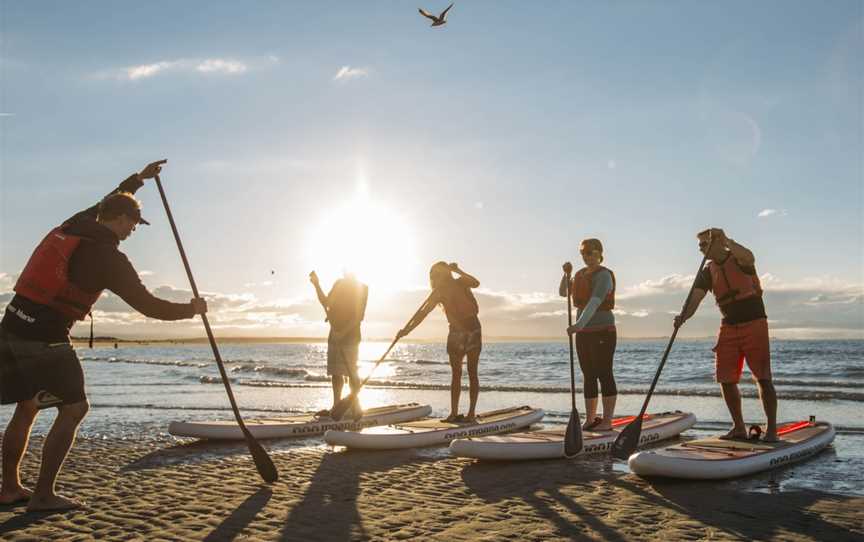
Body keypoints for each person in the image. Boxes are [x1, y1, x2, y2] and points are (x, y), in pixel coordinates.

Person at [0, 160, 207, 511]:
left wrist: (139, 180)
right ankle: (44, 496)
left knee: (29, 404)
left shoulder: (75, 223)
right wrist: (192, 309)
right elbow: (149, 306)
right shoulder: (110, 258)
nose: (132, 232)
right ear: (122, 219)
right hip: (46, 339)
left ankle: (8, 489)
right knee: (75, 408)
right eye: (133, 225)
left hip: (11, 326)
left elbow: (108, 199)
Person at [674, 228, 777, 442]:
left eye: (704, 244)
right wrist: (683, 317)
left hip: (754, 323)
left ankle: (772, 431)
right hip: (729, 325)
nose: (700, 249)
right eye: (700, 246)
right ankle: (738, 428)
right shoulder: (708, 271)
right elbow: (694, 299)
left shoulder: (738, 258)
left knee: (763, 377)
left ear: (718, 242)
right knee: (725, 378)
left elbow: (750, 257)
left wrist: (727, 239)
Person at [398, 262, 481, 423]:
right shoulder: (439, 292)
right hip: (464, 330)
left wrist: (457, 270)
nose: (435, 278)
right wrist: (406, 330)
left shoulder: (460, 282)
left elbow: (476, 283)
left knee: (470, 373)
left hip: (469, 331)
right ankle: (456, 413)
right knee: (459, 374)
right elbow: (422, 313)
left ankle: (469, 414)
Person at [561, 239, 618, 431]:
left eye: (591, 253)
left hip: (603, 330)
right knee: (588, 375)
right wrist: (565, 275)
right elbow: (563, 292)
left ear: (600, 253)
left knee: (604, 373)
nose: (587, 258)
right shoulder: (579, 274)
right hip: (584, 333)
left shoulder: (604, 276)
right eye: (584, 254)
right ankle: (590, 419)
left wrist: (578, 325)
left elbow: (594, 302)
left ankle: (608, 421)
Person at [310, 270, 368, 418]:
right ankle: (336, 407)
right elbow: (326, 302)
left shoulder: (362, 287)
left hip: (351, 336)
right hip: (334, 334)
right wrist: (317, 285)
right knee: (336, 373)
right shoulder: (339, 284)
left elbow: (358, 316)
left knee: (351, 372)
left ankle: (356, 406)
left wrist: (343, 333)